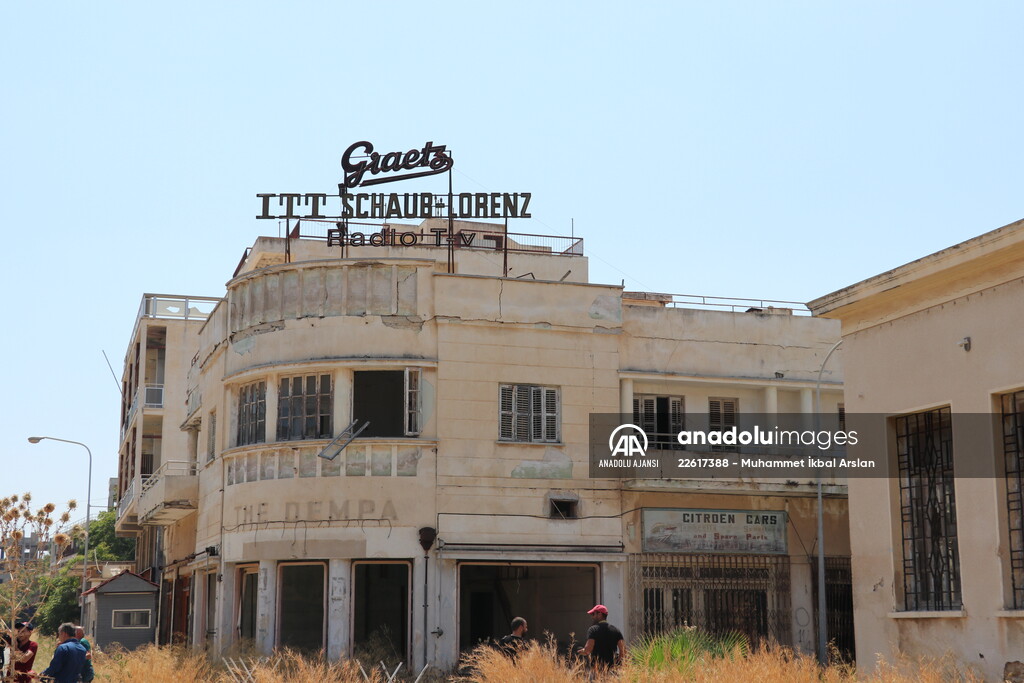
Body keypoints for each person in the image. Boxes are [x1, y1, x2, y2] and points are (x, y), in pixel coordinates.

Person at [577, 604, 625, 669]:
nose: (592, 617)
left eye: (593, 614)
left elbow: (588, 650)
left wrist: (582, 651)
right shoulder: (616, 630)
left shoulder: (593, 630)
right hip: (612, 670)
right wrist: (617, 664)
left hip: (597, 669)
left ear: (599, 614)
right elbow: (623, 651)